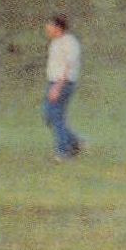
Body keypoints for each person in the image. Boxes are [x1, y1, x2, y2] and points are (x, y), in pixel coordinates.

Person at [44, 15, 83, 160]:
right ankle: (73, 141)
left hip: (63, 83)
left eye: (50, 27)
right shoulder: (56, 42)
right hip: (53, 82)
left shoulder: (69, 43)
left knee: (56, 117)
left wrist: (57, 87)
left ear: (58, 28)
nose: (47, 30)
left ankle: (64, 151)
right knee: (49, 115)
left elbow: (68, 66)